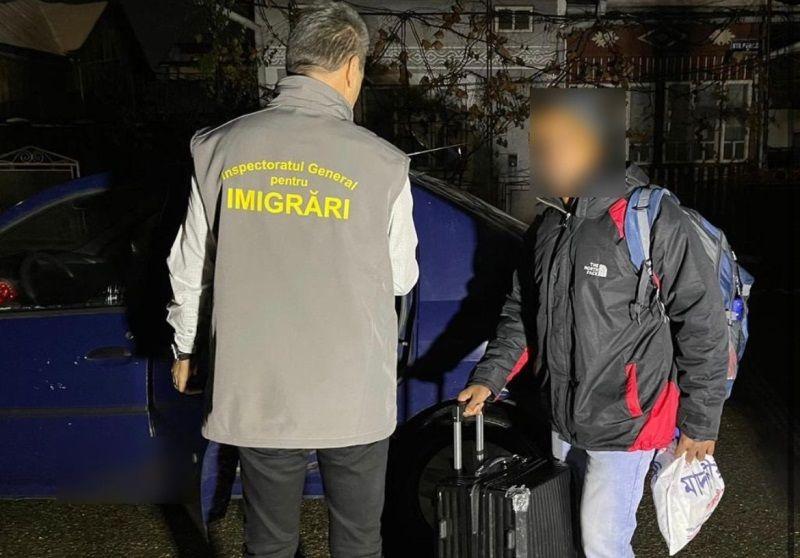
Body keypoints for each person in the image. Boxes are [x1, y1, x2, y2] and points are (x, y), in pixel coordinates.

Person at [165, 3, 418, 557]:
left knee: (270, 540)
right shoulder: (383, 163)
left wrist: (186, 346)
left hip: (261, 383)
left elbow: (191, 264)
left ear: (294, 61)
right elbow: (402, 276)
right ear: (351, 67)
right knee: (358, 540)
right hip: (352, 388)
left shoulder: (219, 148)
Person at [457, 89, 728, 558]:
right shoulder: (548, 225)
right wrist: (490, 376)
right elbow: (522, 312)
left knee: (602, 543)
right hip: (563, 416)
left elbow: (701, 322)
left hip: (628, 419)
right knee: (565, 531)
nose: (550, 154)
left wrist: (701, 422)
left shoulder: (650, 219)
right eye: (544, 143)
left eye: (565, 142)